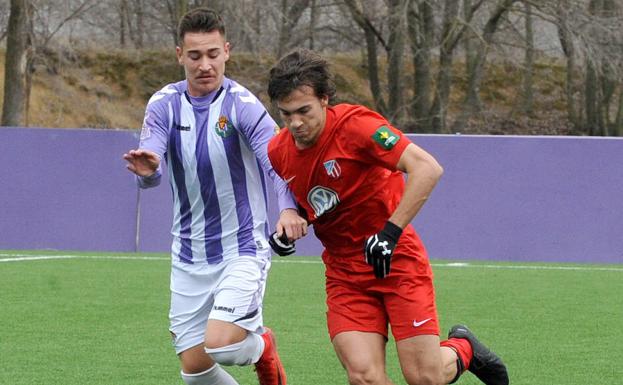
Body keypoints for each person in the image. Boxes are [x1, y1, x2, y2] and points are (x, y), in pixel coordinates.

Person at [266, 48, 509, 385]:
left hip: (396, 259)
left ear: (324, 100)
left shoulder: (358, 126)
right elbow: (308, 196)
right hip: (345, 273)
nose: (295, 123)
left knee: (425, 378)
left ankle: (462, 348)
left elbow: (427, 168)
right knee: (364, 377)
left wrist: (390, 233)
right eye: (286, 114)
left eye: (303, 111)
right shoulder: (278, 150)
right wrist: (289, 219)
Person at [123, 8, 306, 385]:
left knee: (221, 345)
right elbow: (151, 162)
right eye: (194, 56)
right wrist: (149, 171)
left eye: (212, 54)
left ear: (226, 51)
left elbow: (277, 161)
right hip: (188, 254)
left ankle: (262, 347)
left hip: (241, 248)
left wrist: (288, 208)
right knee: (195, 370)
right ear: (179, 55)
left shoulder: (243, 105)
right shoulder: (163, 104)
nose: (204, 64)